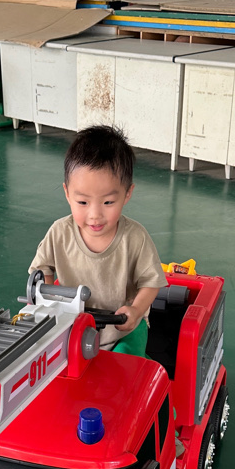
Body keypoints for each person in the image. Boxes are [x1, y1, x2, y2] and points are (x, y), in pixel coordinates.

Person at [28, 125, 166, 353]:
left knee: (121, 365)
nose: (95, 215)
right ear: (67, 193)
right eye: (83, 202)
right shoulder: (59, 233)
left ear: (127, 194)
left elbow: (151, 282)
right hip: (74, 328)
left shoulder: (136, 238)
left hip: (123, 330)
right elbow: (41, 271)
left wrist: (136, 310)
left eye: (108, 202)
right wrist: (50, 299)